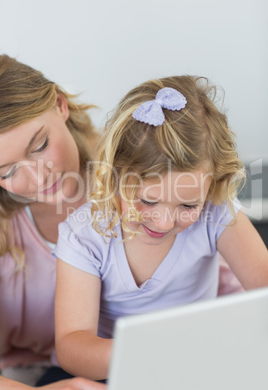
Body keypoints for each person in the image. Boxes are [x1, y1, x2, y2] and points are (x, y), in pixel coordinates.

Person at [54, 75, 268, 381]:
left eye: (188, 206)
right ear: (114, 177)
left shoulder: (217, 212)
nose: (166, 222)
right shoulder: (84, 236)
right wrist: (155, 351)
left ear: (213, 187)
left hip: (203, 366)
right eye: (147, 200)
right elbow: (72, 347)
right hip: (119, 373)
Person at [0, 54, 106, 389]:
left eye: (40, 146)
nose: (37, 177)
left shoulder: (140, 177)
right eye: (7, 172)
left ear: (60, 105)